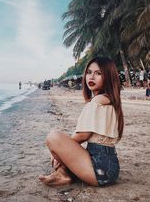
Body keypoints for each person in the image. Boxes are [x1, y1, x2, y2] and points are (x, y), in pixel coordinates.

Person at [39, 57, 124, 187]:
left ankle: (63, 172)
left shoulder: (96, 102)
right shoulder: (111, 101)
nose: (92, 77)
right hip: (110, 166)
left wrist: (57, 154)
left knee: (53, 137)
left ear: (108, 77)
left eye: (98, 73)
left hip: (99, 169)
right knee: (65, 148)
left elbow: (82, 135)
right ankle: (63, 173)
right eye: (89, 72)